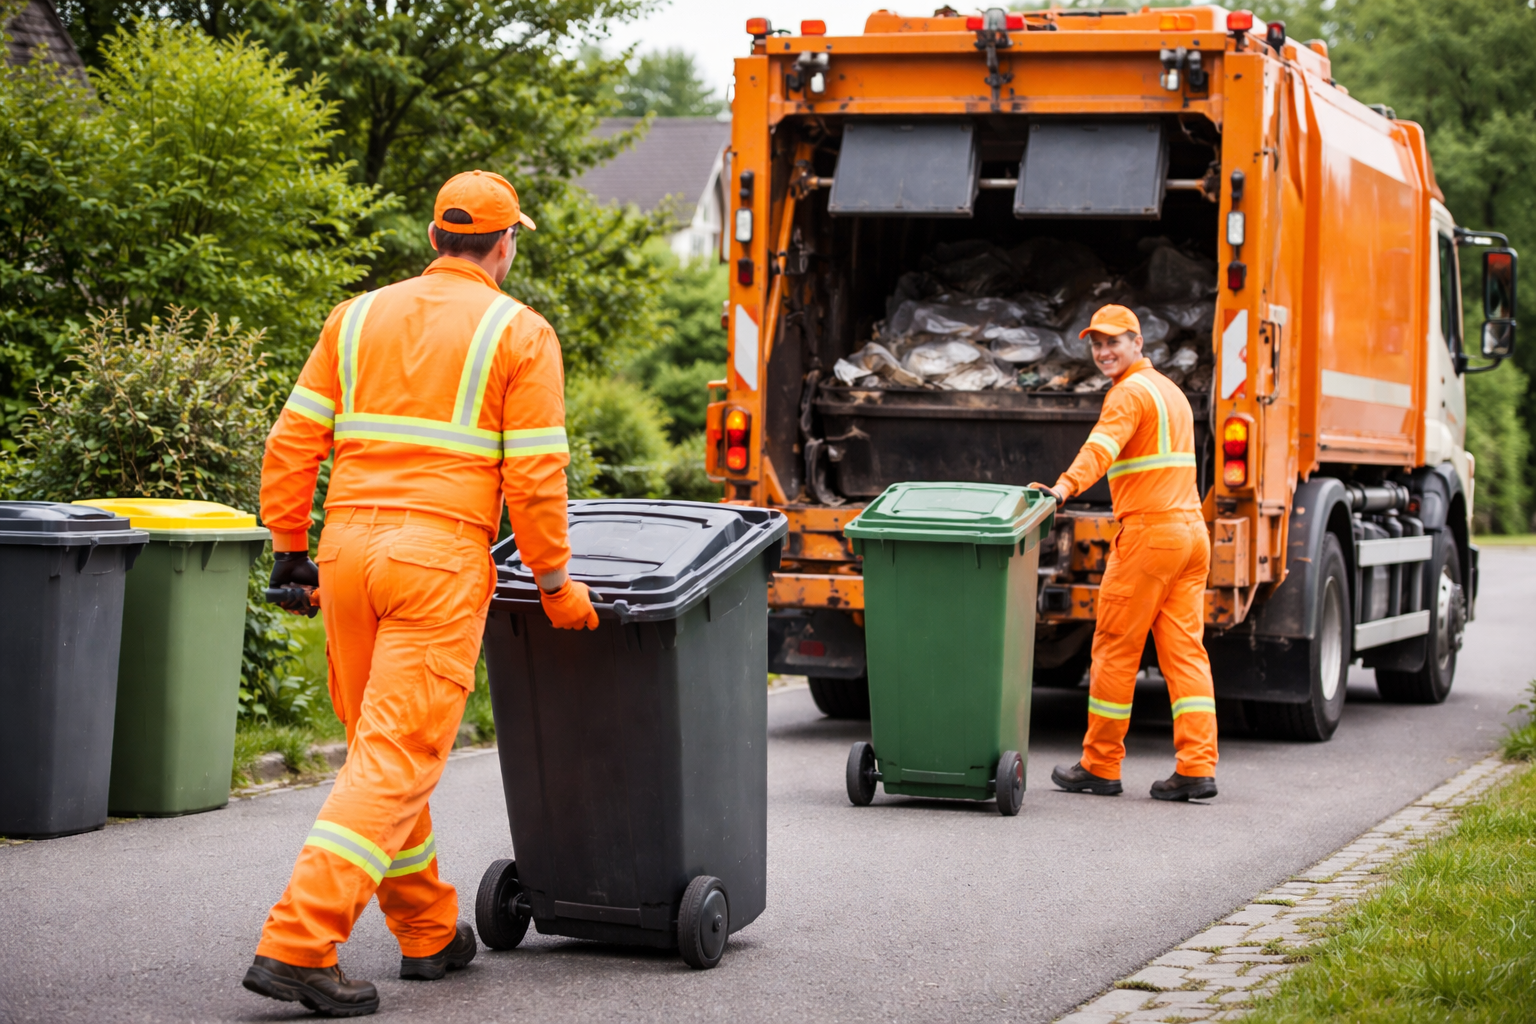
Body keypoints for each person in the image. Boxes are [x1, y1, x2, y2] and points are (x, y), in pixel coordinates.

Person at [243, 170, 598, 1018]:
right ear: (505, 246)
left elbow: (291, 442)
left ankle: (428, 929)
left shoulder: (355, 316)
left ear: (435, 237)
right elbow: (535, 478)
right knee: (396, 757)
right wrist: (556, 585)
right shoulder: (520, 331)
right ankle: (299, 943)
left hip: (346, 555)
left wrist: (290, 551)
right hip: (436, 561)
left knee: (382, 751)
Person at [1031, 304, 1218, 802]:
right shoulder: (1171, 391)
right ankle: (1197, 767)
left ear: (1138, 342)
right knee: (1186, 654)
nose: (1103, 352)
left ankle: (1100, 765)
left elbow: (1101, 448)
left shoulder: (1128, 393)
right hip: (1189, 534)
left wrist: (1062, 488)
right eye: (1096, 344)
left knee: (1115, 649)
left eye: (1113, 342)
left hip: (1149, 538)